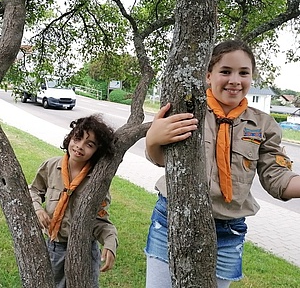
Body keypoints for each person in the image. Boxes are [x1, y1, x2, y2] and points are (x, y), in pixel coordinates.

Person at [144, 39, 300, 288]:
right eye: (225, 71)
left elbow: (276, 177)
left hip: (228, 230)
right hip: (172, 217)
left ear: (252, 77)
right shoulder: (188, 109)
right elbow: (163, 159)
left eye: (243, 73)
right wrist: (152, 139)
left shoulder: (264, 125)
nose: (235, 80)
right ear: (208, 76)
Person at [29, 114, 118, 288]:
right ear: (70, 137)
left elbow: (100, 221)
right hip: (54, 247)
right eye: (77, 138)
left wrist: (110, 242)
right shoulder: (50, 166)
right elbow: (34, 190)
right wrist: (37, 209)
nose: (79, 146)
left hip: (84, 250)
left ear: (97, 151)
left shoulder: (97, 182)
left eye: (89, 144)